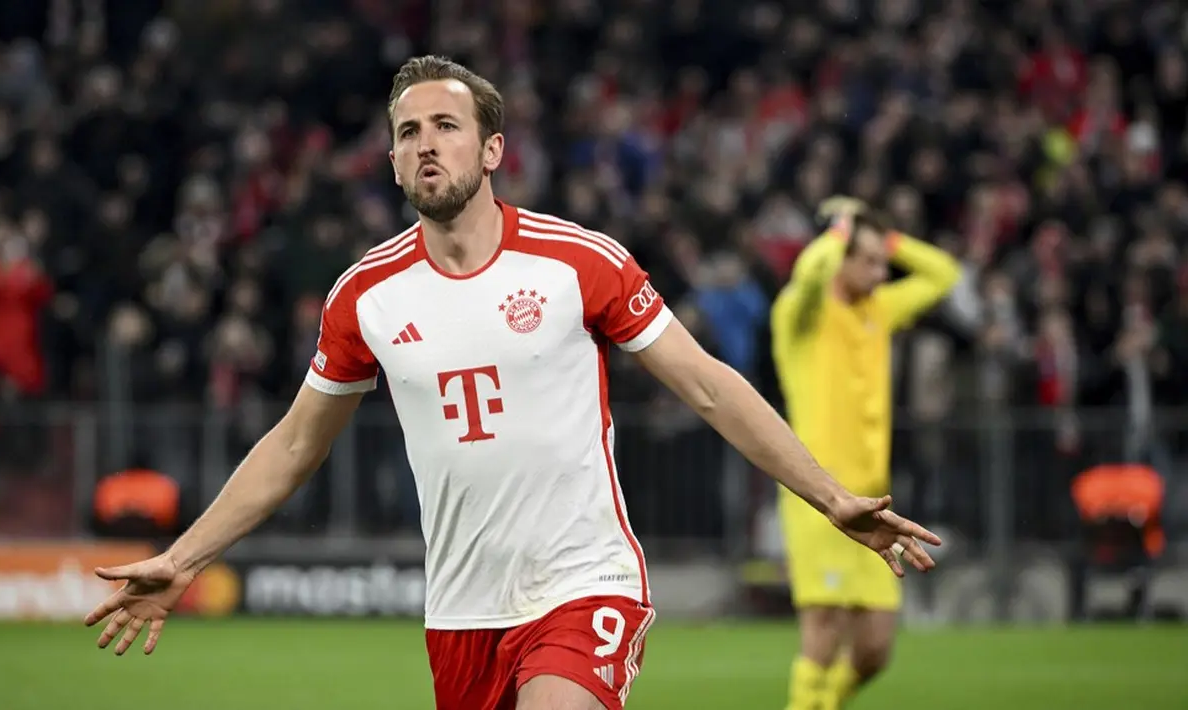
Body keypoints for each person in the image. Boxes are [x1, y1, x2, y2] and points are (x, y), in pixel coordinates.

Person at [84, 57, 941, 710]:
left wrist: (830, 497)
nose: (426, 143)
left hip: (583, 582)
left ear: (492, 150)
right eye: (408, 131)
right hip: (460, 611)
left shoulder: (580, 262)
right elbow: (295, 445)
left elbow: (708, 385)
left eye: (446, 127)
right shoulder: (365, 296)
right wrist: (185, 558)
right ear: (390, 162)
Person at [770, 196, 962, 710]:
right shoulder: (802, 313)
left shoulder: (879, 309)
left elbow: (943, 274)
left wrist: (886, 237)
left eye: (885, 263)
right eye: (870, 261)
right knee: (824, 627)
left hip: (873, 499)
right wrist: (841, 229)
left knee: (876, 647)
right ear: (841, 256)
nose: (881, 273)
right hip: (816, 497)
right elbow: (809, 274)